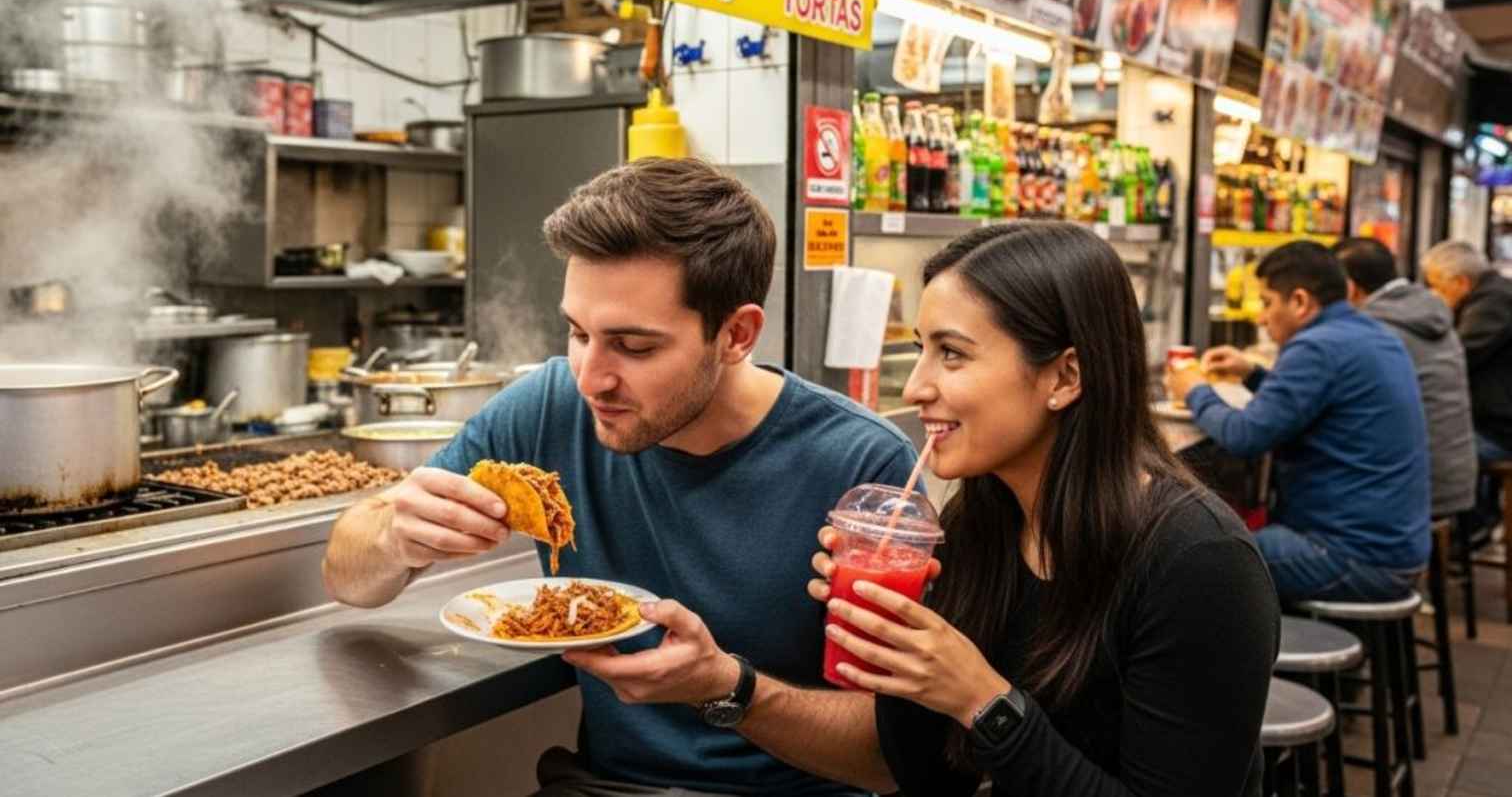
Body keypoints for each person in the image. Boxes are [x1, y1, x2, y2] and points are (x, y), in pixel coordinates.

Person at [570, 222, 1280, 797]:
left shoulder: (1199, 564)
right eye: (920, 350)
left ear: (1064, 375)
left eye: (953, 355)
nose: (918, 387)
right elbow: (924, 774)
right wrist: (889, 658)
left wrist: (978, 698)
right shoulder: (983, 525)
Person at [322, 158, 917, 797]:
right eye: (579, 333)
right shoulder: (550, 403)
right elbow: (346, 578)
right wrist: (394, 537)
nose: (591, 376)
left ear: (737, 334)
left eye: (634, 347)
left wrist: (728, 688)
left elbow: (890, 755)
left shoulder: (860, 467)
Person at [1166, 240, 1430, 603]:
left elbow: (1244, 436)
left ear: (1301, 302)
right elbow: (1308, 404)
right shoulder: (1369, 334)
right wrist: (1252, 373)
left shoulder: (1318, 347)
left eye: (1268, 303)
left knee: (1184, 559)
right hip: (1394, 547)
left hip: (1348, 555)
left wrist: (1194, 389)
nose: (1261, 317)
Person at [1333, 237, 1475, 521]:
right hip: (1457, 475)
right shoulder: (1425, 309)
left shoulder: (1373, 329)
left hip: (1417, 488)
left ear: (1349, 287)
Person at [1423, 239, 1512, 545]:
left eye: (1437, 286)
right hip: (1493, 420)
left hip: (1500, 431)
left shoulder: (1493, 302)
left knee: (1429, 448)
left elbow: (1457, 357)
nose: (1435, 295)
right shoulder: (1494, 293)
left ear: (1460, 282)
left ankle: (1468, 528)